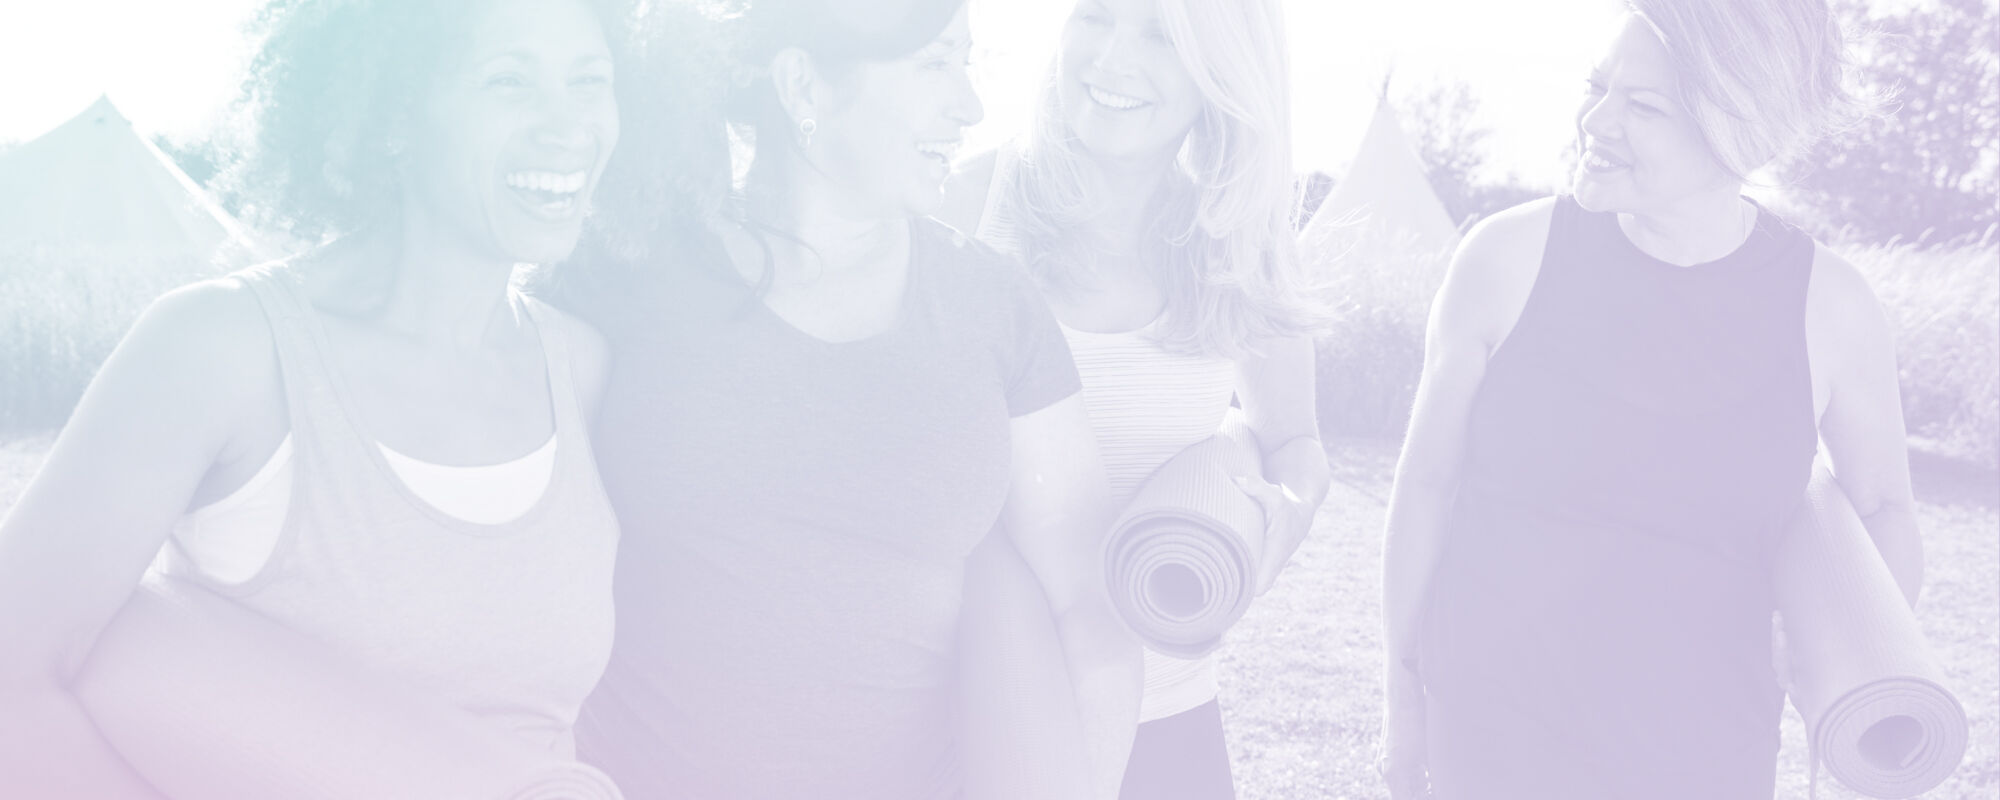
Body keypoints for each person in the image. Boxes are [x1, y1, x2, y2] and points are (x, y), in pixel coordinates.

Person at [0, 0, 626, 794]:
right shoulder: (223, 349)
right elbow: (12, 680)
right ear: (397, 110)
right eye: (509, 81)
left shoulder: (582, 369)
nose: (567, 126)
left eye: (590, 80)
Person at [559, 0, 1143, 797]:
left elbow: (1089, 610)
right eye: (934, 64)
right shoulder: (625, 275)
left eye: (967, 65)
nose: (969, 105)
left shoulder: (993, 307)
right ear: (805, 84)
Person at [1378, 2, 1919, 797]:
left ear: (1743, 131)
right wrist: (1402, 701)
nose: (1597, 119)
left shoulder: (1830, 307)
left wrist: (1842, 652)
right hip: (1492, 736)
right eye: (1599, 87)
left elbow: (1884, 509)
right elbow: (1424, 488)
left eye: (1645, 106)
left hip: (1706, 751)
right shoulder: (1503, 259)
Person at [941, 0, 1329, 796]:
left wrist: (1284, 515)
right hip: (969, 720)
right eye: (1095, 15)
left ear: (1221, 69)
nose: (1113, 56)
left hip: (1169, 718)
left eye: (1160, 34)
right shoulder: (963, 207)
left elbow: (1295, 443)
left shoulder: (1238, 246)